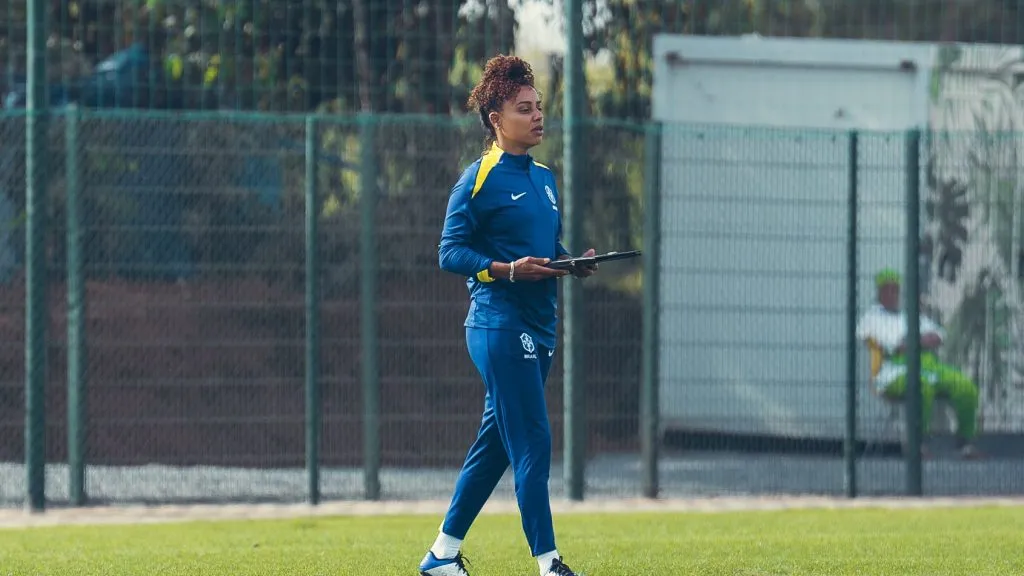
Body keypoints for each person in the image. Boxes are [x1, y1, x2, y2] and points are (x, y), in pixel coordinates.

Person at [418, 55, 596, 576]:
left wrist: (570, 263)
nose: (538, 116)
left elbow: (543, 245)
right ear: (497, 118)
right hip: (498, 324)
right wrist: (505, 270)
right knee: (534, 438)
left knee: (495, 445)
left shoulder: (544, 178)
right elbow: (450, 253)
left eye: (539, 106)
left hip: (540, 325)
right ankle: (549, 563)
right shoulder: (477, 179)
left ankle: (441, 558)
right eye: (525, 108)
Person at [856, 268, 981, 459]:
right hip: (894, 371)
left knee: (965, 386)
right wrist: (918, 341)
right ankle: (918, 443)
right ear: (879, 292)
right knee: (922, 386)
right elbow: (894, 347)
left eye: (895, 290)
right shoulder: (871, 319)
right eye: (888, 290)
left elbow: (938, 336)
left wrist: (913, 342)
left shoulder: (909, 315)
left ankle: (965, 443)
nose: (893, 294)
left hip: (930, 365)